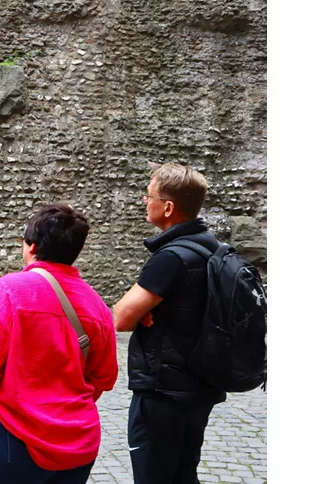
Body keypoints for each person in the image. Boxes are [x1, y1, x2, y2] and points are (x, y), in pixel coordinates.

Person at [0, 203, 119, 483]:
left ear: (31, 246)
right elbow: (104, 377)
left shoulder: (11, 290)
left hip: (9, 438)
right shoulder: (97, 306)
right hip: (78, 443)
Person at [113, 162, 226, 484]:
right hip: (199, 384)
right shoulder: (212, 247)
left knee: (154, 476)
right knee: (182, 472)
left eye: (149, 196)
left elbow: (120, 317)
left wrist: (144, 313)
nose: (144, 202)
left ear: (168, 206)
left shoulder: (170, 257)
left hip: (164, 389)